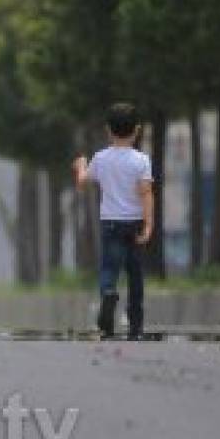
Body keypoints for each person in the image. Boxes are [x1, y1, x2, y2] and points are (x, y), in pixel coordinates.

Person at [73, 103, 154, 340]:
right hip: (134, 224)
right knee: (135, 274)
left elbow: (82, 183)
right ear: (137, 130)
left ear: (108, 131)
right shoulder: (141, 160)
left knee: (109, 268)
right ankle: (136, 325)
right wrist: (149, 224)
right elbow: (146, 193)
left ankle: (108, 293)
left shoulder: (101, 158)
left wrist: (80, 166)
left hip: (111, 224)